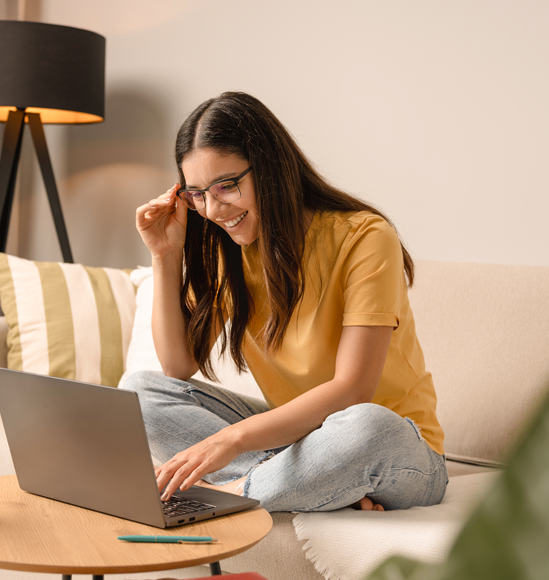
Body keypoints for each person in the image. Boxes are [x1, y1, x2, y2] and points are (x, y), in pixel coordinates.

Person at [129, 92, 446, 512]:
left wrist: (230, 440)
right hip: (300, 443)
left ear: (271, 168)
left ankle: (234, 495)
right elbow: (178, 366)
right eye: (196, 194)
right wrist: (164, 256)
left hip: (400, 449)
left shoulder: (365, 237)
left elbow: (353, 389)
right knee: (139, 391)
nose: (213, 209)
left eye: (227, 186)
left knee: (368, 426)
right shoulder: (230, 252)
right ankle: (313, 482)